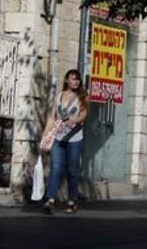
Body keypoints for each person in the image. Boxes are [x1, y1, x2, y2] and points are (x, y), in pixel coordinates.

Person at [42, 68, 88, 213]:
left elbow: (84, 115)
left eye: (77, 79)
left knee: (72, 170)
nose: (75, 81)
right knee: (56, 168)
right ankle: (50, 199)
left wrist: (75, 120)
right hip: (59, 138)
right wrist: (45, 136)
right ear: (67, 80)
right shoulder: (59, 96)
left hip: (74, 139)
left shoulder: (82, 97)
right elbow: (52, 117)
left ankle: (72, 200)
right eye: (73, 78)